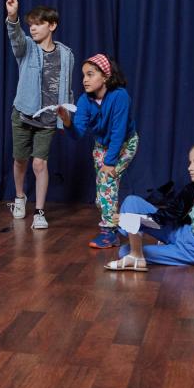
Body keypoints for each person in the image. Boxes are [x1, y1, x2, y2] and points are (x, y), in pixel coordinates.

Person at [104, 142, 194, 275]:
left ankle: (136, 254)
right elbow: (171, 212)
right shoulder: (193, 187)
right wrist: (137, 220)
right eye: (190, 162)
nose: (190, 168)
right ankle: (137, 250)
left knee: (124, 251)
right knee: (132, 201)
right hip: (181, 232)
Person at [5, 0, 74, 229]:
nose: (33, 29)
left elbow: (67, 88)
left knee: (39, 164)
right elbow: (16, 36)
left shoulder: (66, 54)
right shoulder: (27, 48)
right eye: (30, 25)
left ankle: (40, 212)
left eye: (38, 24)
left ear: (52, 25)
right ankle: (19, 197)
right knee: (20, 160)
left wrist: (66, 115)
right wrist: (12, 16)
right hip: (24, 113)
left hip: (48, 119)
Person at [56, 53, 139, 248]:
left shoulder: (120, 96)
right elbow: (77, 134)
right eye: (84, 75)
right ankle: (117, 225)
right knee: (102, 190)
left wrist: (109, 163)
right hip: (102, 146)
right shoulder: (85, 101)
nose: (85, 80)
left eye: (90, 74)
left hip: (126, 143)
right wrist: (67, 121)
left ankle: (109, 232)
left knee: (106, 181)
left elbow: (118, 132)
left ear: (106, 76)